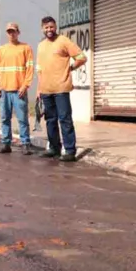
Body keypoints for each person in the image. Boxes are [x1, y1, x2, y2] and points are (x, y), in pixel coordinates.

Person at [36, 15, 86, 162]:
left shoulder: (63, 41)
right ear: (42, 29)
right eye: (46, 27)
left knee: (65, 119)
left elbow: (81, 57)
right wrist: (39, 88)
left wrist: (70, 68)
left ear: (55, 27)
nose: (49, 30)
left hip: (61, 88)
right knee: (50, 120)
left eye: (51, 27)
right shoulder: (41, 45)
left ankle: (70, 150)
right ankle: (54, 148)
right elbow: (39, 69)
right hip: (46, 89)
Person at [0, 23, 34, 155]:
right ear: (7, 33)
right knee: (5, 118)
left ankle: (25, 143)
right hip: (4, 91)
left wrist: (25, 85)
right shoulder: (1, 50)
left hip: (19, 91)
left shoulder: (25, 48)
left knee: (22, 119)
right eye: (9, 32)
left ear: (18, 32)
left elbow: (30, 69)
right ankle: (6, 143)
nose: (12, 34)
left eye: (14, 31)